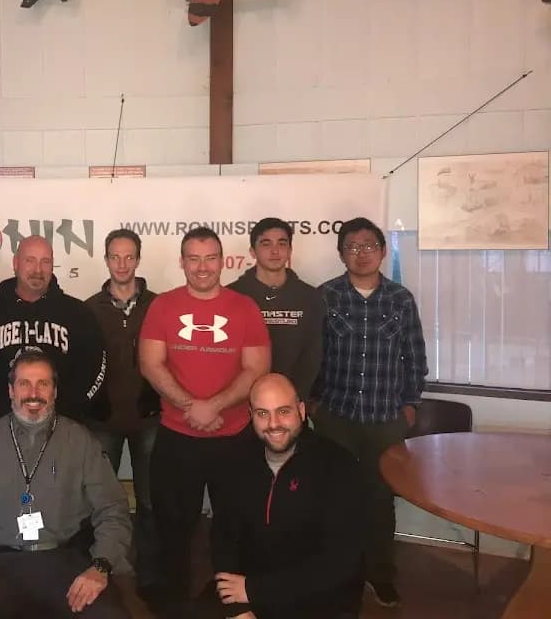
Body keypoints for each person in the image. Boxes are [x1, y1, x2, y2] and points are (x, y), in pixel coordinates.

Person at [0, 350, 132, 619]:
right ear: (11, 390)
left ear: (55, 391)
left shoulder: (81, 442)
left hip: (62, 561)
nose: (33, 393)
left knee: (110, 617)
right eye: (24, 383)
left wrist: (100, 567)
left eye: (43, 384)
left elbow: (113, 509)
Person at [139, 227, 271, 607]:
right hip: (176, 438)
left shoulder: (244, 307)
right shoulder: (163, 306)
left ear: (222, 261)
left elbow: (257, 368)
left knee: (232, 527)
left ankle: (229, 604)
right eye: (193, 258)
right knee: (172, 528)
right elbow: (150, 364)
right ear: (181, 262)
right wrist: (190, 406)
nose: (201, 267)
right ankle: (174, 602)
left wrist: (212, 406)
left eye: (209, 258)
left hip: (234, 438)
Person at [312, 217, 428, 609]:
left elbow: (415, 358)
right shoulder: (325, 296)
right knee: (335, 498)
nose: (360, 253)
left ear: (381, 250)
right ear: (341, 253)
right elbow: (312, 356)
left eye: (368, 245)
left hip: (384, 419)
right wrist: (313, 404)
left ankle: (380, 575)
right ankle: (336, 573)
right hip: (336, 417)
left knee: (380, 501)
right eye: (352, 247)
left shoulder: (400, 299)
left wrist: (410, 405)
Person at [189, 373, 365, 619]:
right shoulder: (233, 461)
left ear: (301, 411)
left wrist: (256, 591)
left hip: (319, 596)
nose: (273, 424)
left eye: (283, 411)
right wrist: (238, 609)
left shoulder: (338, 466)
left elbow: (341, 562)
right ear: (251, 415)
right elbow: (223, 540)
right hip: (247, 589)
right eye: (262, 413)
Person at [85, 228, 162, 597]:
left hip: (149, 421)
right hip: (105, 422)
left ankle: (149, 571)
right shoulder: (88, 308)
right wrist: (91, 398)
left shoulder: (160, 305)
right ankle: (100, 567)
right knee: (101, 500)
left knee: (149, 500)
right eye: (115, 257)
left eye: (129, 256)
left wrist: (158, 393)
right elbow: (81, 365)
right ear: (105, 260)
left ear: (138, 259)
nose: (122, 264)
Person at [0, 235, 108, 423]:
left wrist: (67, 413)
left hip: (62, 428)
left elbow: (96, 368)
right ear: (16, 263)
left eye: (45, 261)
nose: (38, 270)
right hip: (0, 430)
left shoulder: (79, 314)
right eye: (30, 260)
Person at [228, 218, 324, 401]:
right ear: (252, 251)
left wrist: (294, 399)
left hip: (291, 403)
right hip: (240, 404)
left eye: (282, 243)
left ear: (290, 250)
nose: (275, 251)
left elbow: (312, 358)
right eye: (266, 244)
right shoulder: (232, 295)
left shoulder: (310, 297)